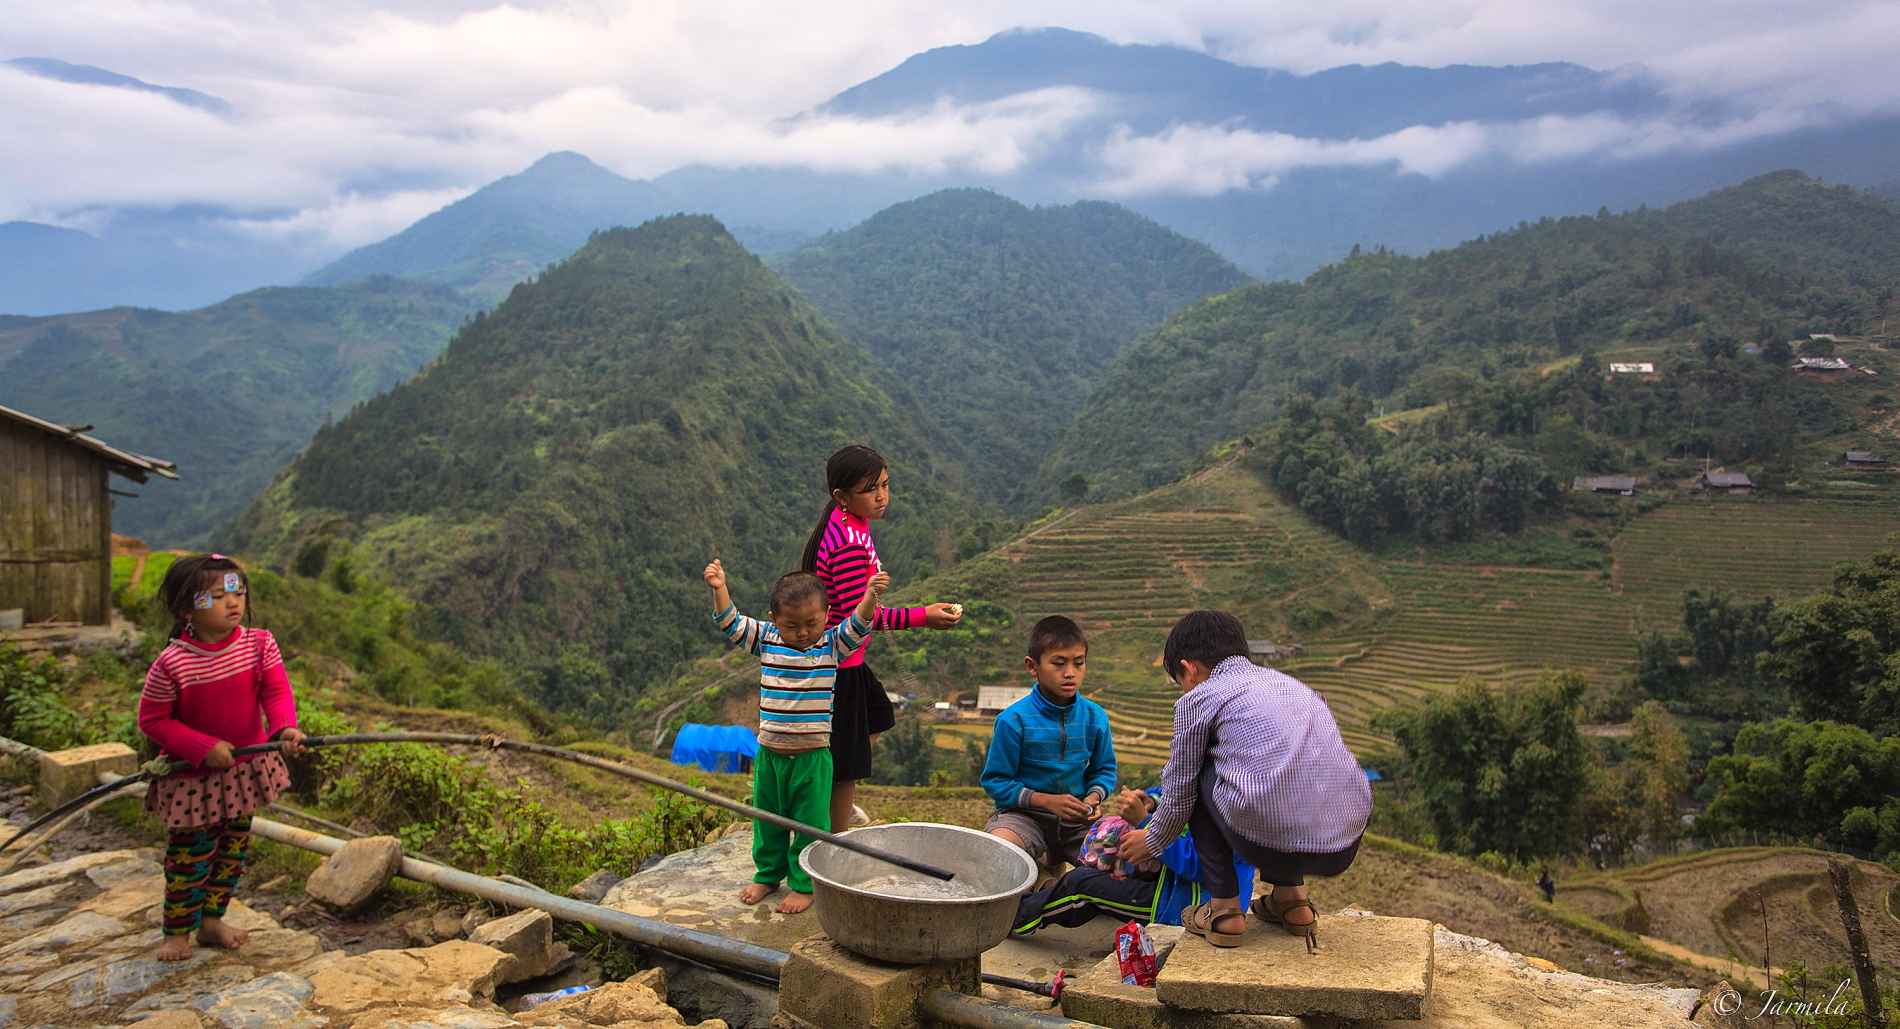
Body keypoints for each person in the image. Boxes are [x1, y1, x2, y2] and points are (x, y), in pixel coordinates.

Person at [1119, 611, 1370, 948]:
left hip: (1271, 845)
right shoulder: (1293, 686)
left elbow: (1180, 790)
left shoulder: (1200, 698)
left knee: (1201, 766)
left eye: (1181, 680)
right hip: (1344, 843)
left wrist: (1152, 839)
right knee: (1284, 772)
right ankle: (1292, 902)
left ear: (1189, 669)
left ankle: (1224, 912)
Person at [138, 554, 306, 962]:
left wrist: (284, 727)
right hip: (192, 779)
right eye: (217, 596)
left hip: (243, 772)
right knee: (189, 856)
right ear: (185, 609)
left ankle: (212, 921)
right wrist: (200, 747)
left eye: (238, 592)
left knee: (232, 852)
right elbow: (153, 720)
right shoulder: (172, 663)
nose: (233, 602)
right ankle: (176, 932)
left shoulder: (258, 644)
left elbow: (276, 692)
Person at [705, 558, 887, 914]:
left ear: (826, 615)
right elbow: (730, 622)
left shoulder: (832, 645)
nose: (803, 632)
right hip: (770, 755)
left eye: (811, 623)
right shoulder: (767, 640)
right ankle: (767, 875)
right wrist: (719, 588)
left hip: (813, 756)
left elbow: (860, 624)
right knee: (768, 819)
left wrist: (870, 595)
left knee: (810, 823)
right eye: (792, 625)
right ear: (774, 620)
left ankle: (804, 884)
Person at [800, 445, 962, 835]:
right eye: (870, 489)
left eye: (885, 485)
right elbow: (865, 618)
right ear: (842, 497)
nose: (882, 496)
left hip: (845, 658)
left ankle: (833, 800)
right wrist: (925, 616)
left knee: (877, 715)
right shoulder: (849, 543)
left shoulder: (849, 522)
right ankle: (832, 837)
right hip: (840, 663)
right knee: (846, 765)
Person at [1010, 786, 1255, 935]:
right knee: (1099, 874)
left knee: (1080, 886)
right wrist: (1153, 801)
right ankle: (1049, 898)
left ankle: (1012, 919)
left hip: (1180, 903)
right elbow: (1178, 791)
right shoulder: (1217, 774)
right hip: (1168, 882)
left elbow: (1210, 868)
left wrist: (1148, 829)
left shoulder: (1236, 803)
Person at [981, 615, 1117, 872]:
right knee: (998, 852)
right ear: (1032, 666)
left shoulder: (1095, 717)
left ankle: (1053, 877)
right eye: (1058, 663)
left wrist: (1093, 797)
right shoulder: (1013, 720)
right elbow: (996, 781)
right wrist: (1045, 801)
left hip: (1077, 821)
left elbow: (1103, 770)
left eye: (1079, 663)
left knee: (1118, 859)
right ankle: (1044, 877)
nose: (1070, 673)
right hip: (1023, 817)